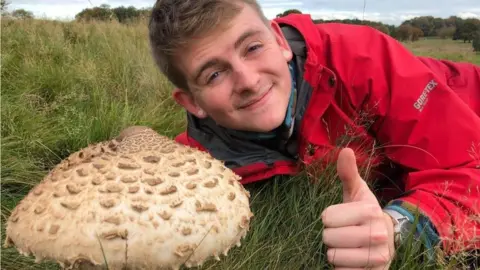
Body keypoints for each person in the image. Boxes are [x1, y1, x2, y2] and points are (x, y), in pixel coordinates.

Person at [147, 0, 480, 269]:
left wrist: (399, 228)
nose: (248, 81)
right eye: (215, 74)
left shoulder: (363, 58)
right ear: (192, 103)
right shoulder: (194, 168)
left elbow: (469, 169)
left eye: (252, 47)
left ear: (279, 41)